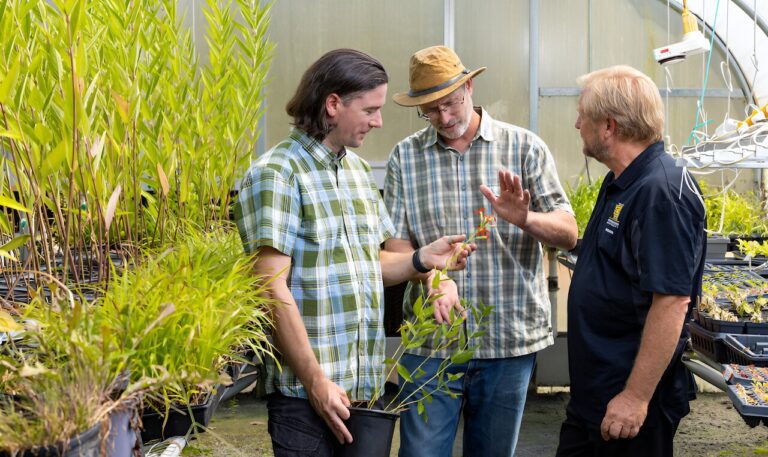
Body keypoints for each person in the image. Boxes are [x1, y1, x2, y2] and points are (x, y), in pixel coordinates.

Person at [234, 48, 475, 457]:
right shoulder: (276, 174)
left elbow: (368, 265)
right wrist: (316, 382)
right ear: (332, 105)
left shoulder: (358, 173)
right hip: (306, 397)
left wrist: (422, 260)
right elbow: (271, 289)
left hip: (363, 391)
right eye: (370, 109)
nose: (379, 121)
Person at [384, 45, 578, 457]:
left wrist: (526, 219)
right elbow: (398, 245)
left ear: (469, 86)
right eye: (431, 111)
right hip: (431, 341)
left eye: (451, 103)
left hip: (506, 339)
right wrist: (433, 278)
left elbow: (568, 233)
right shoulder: (405, 156)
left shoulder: (524, 147)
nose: (445, 118)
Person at [556, 65, 706, 457]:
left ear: (608, 126)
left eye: (582, 115)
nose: (576, 124)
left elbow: (672, 301)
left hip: (628, 401)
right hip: (597, 394)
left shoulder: (660, 192)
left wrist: (635, 397)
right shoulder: (624, 180)